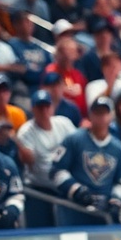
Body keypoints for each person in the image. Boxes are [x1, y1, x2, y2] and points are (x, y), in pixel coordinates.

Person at [52, 96, 121, 226]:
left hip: (103, 213)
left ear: (111, 116)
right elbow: (56, 170)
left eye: (104, 113)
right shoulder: (73, 139)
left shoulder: (118, 149)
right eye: (97, 113)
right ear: (90, 115)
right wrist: (76, 190)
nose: (101, 117)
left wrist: (115, 201)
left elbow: (120, 182)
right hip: (75, 210)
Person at [16, 90, 77, 227]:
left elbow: (78, 145)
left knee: (67, 230)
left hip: (64, 187)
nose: (44, 111)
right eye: (40, 107)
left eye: (46, 106)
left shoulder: (63, 123)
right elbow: (29, 161)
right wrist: (24, 155)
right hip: (39, 190)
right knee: (41, 231)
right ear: (33, 109)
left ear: (52, 107)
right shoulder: (26, 131)